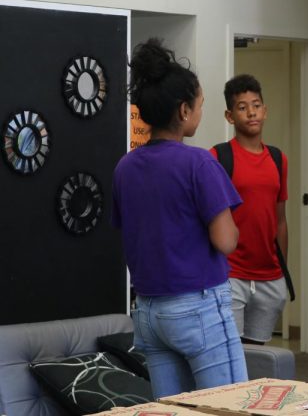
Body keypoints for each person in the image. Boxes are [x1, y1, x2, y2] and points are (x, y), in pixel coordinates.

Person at [111, 38, 247, 398]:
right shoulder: (199, 163)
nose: (200, 113)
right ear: (184, 110)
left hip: (149, 311)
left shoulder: (125, 167)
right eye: (200, 105)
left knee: (173, 410)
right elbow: (226, 240)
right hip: (198, 306)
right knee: (231, 406)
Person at [210, 74, 289, 345]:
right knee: (231, 353)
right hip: (231, 274)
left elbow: (280, 220)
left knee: (259, 356)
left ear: (265, 110)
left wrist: (282, 270)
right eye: (242, 107)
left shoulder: (278, 159)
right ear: (229, 116)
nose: (251, 112)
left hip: (270, 276)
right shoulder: (218, 157)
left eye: (256, 105)